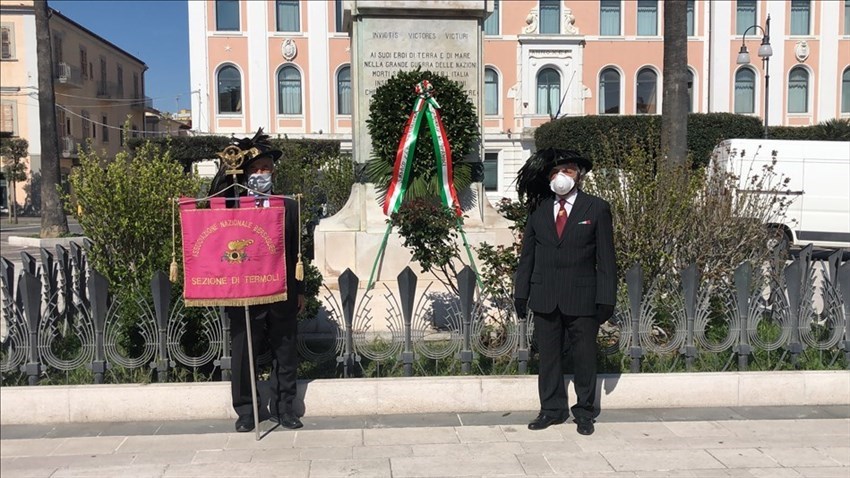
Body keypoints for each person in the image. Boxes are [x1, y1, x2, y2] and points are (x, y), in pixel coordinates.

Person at [513, 148, 617, 436]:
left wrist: (606, 298)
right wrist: (521, 293)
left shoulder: (596, 208)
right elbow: (528, 256)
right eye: (556, 171)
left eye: (568, 170)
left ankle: (584, 411)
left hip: (582, 297)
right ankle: (551, 409)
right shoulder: (539, 210)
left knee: (584, 357)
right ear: (548, 176)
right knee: (548, 358)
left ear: (579, 175)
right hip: (545, 296)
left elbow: (606, 259)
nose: (561, 176)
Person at [208, 130, 305, 432]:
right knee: (243, 351)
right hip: (245, 292)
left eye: (267, 169)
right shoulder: (233, 205)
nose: (262, 174)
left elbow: (298, 252)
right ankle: (247, 411)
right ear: (246, 173)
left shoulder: (287, 205)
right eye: (256, 169)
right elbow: (209, 204)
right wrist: (229, 170)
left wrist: (300, 290)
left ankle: (284, 408)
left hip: (281, 288)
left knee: (285, 350)